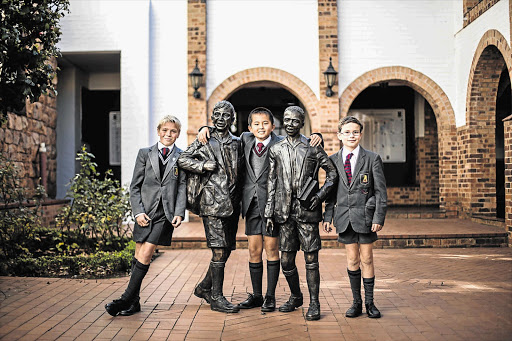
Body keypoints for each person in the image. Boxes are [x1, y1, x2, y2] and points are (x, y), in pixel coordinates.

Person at [197, 107, 323, 312]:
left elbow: (299, 137)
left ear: (273, 127)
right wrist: (205, 128)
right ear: (249, 127)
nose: (261, 127)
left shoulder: (280, 142)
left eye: (265, 123)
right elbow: (223, 130)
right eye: (256, 124)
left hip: (273, 204)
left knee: (272, 250)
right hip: (251, 203)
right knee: (254, 250)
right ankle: (256, 295)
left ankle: (269, 297)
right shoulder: (244, 140)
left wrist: (316, 135)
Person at [105, 115, 186, 316]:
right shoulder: (144, 154)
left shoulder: (181, 156)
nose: (168, 134)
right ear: (158, 131)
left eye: (173, 131)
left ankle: (124, 299)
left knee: (147, 252)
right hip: (145, 212)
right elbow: (135, 187)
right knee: (138, 253)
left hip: (164, 214)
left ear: (178, 134)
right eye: (165, 130)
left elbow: (182, 186)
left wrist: (179, 212)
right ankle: (134, 302)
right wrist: (138, 211)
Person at [265, 106, 338, 321]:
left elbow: (332, 172)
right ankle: (296, 296)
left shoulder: (312, 147)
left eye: (294, 121)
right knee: (286, 261)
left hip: (307, 211)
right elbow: (271, 181)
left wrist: (320, 196)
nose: (289, 124)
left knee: (310, 258)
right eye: (286, 120)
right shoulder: (276, 149)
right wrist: (269, 212)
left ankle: (314, 303)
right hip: (284, 212)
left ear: (302, 123)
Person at [177, 100, 244, 313]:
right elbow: (182, 159)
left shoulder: (237, 142)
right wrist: (202, 165)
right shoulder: (204, 140)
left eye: (226, 115)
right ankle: (216, 297)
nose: (221, 119)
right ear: (212, 118)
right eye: (217, 115)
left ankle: (205, 287)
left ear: (232, 119)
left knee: (226, 249)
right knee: (218, 250)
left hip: (232, 204)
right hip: (212, 202)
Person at [322, 116, 387, 319]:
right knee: (352, 259)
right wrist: (328, 216)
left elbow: (380, 192)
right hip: (344, 217)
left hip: (366, 217)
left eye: (355, 132)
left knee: (367, 258)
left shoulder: (372, 158)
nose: (352, 135)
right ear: (340, 135)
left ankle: (370, 303)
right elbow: (330, 193)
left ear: (361, 134)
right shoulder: (332, 160)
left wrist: (378, 217)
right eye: (347, 132)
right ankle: (356, 302)